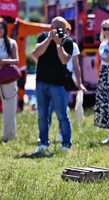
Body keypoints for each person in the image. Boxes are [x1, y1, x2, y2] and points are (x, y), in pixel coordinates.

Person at [32, 16, 73, 155]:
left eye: (59, 26)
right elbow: (35, 54)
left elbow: (64, 60)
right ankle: (43, 143)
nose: (56, 29)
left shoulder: (67, 41)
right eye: (54, 26)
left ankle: (66, 144)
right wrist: (49, 39)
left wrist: (58, 44)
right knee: (42, 115)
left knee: (62, 115)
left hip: (58, 85)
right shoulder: (43, 37)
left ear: (65, 28)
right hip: (41, 82)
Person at [48, 23, 86, 142]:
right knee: (48, 109)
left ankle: (61, 133)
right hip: (50, 80)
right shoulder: (49, 43)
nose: (63, 32)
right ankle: (44, 135)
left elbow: (76, 66)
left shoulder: (73, 45)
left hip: (65, 80)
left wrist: (79, 83)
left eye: (65, 30)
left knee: (62, 109)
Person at [0, 18, 19, 143]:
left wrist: (3, 62)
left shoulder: (12, 43)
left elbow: (16, 60)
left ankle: (9, 137)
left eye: (1, 28)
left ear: (5, 29)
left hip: (7, 79)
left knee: (9, 109)